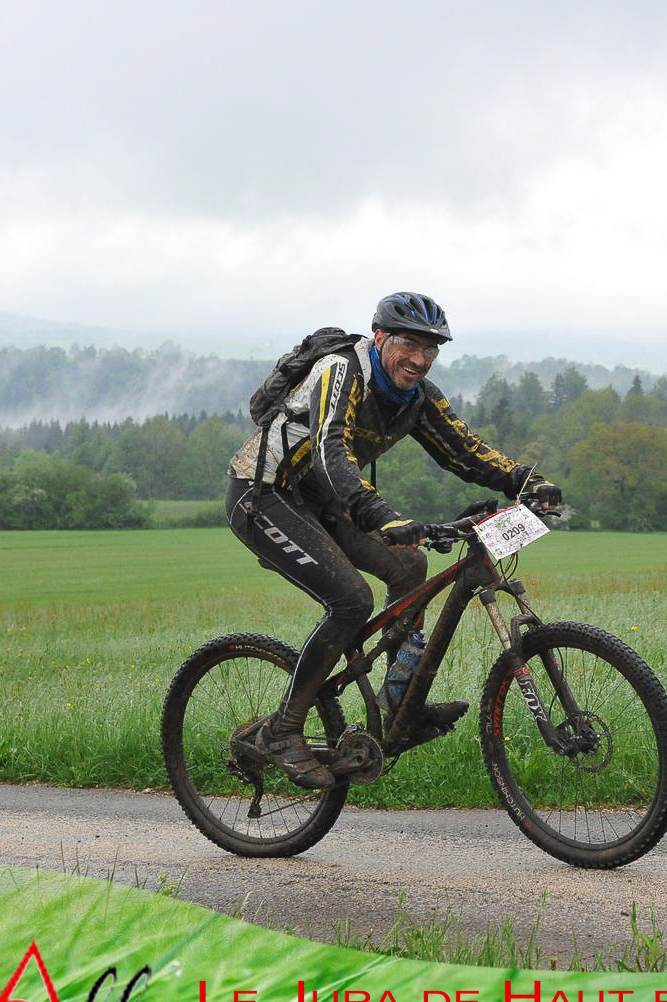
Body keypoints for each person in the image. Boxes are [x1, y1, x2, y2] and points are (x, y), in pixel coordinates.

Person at [225, 291, 560, 788]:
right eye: (409, 344)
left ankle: (399, 700)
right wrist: (381, 515)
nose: (420, 359)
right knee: (351, 600)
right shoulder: (340, 370)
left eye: (431, 349)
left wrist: (527, 480)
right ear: (380, 337)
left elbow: (464, 451)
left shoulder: (417, 395)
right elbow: (329, 450)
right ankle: (282, 730)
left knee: (409, 567)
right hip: (265, 496)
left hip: (325, 502)